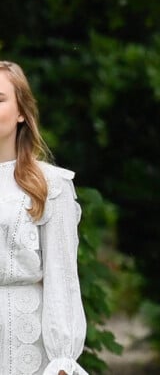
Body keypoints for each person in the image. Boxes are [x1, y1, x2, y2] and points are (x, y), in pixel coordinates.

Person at [0, 61, 88, 375]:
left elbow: (62, 276)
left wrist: (63, 359)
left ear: (21, 111)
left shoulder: (50, 185)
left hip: (27, 346)